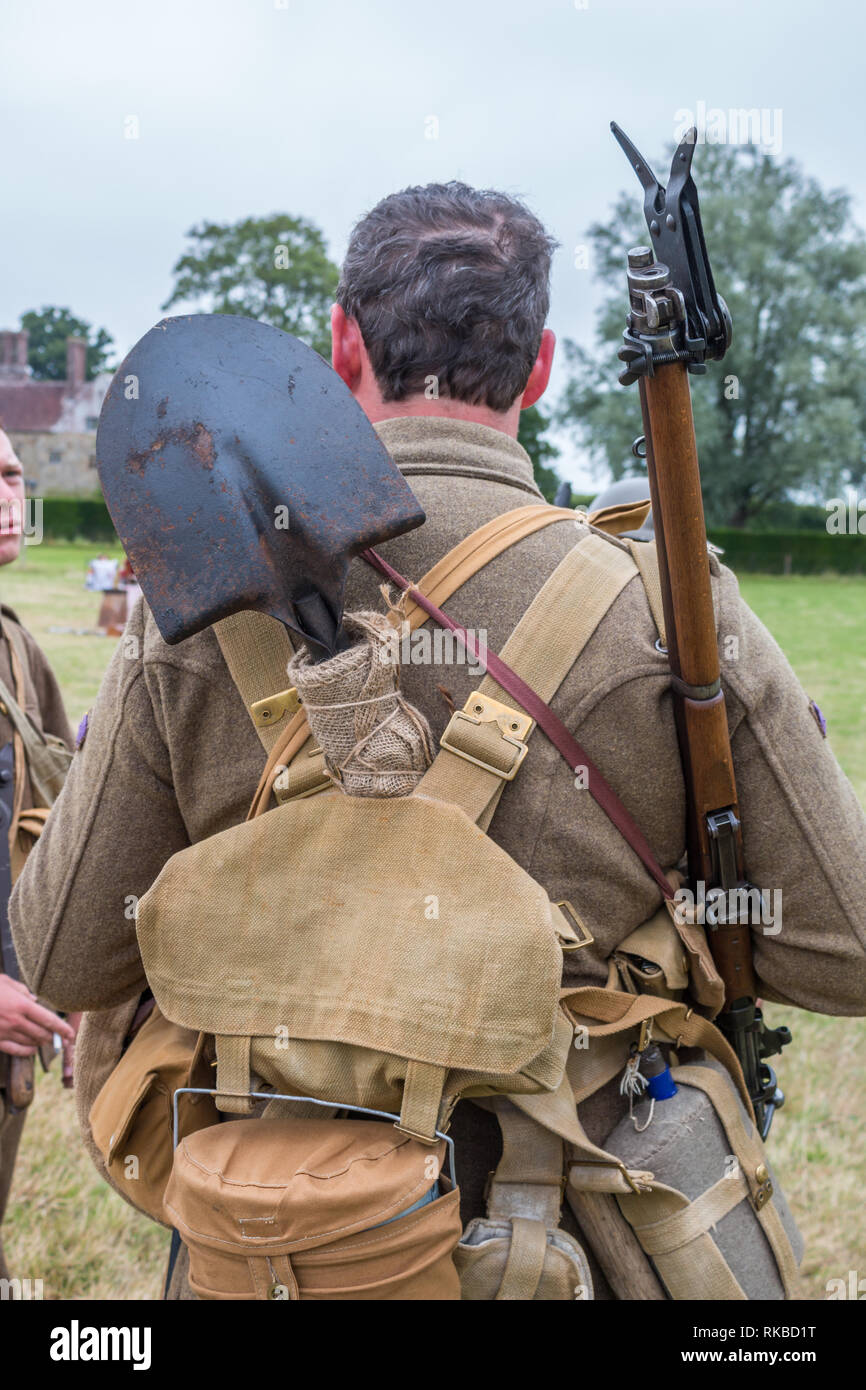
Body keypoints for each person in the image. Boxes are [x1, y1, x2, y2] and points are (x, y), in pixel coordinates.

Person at [9, 183, 866, 1298]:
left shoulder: (206, 593)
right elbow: (841, 948)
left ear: (339, 343)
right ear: (541, 364)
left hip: (276, 1242)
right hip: (584, 1236)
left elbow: (68, 950)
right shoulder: (665, 605)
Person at [0, 426, 75, 1283]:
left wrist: (72, 968)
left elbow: (64, 820)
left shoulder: (17, 648)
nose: (7, 495)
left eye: (13, 474)